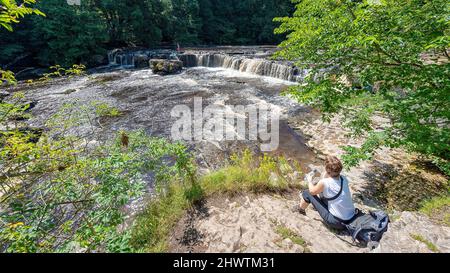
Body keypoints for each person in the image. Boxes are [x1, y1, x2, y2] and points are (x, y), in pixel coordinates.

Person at [293, 156, 356, 230]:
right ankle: (317, 207)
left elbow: (312, 191)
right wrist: (327, 172)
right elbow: (328, 184)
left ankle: (300, 210)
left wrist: (309, 180)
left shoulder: (325, 183)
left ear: (327, 170)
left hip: (337, 222)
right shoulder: (344, 179)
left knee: (307, 193)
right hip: (350, 218)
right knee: (323, 192)